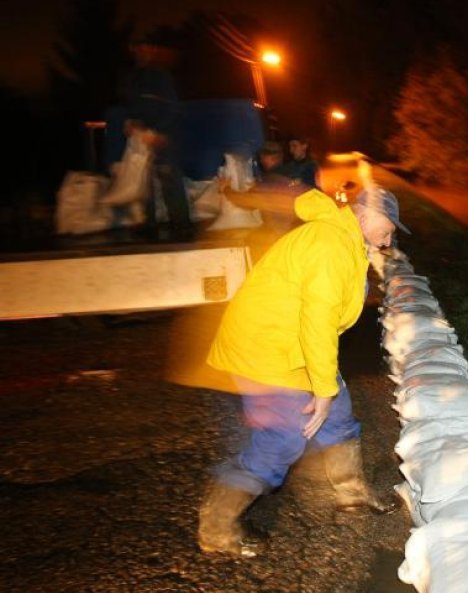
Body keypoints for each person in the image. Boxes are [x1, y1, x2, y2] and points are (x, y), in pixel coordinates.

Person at [197, 183, 410, 557]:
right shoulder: (330, 244)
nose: (388, 237)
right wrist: (322, 388)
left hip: (290, 347)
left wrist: (327, 387)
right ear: (364, 215)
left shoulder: (344, 240)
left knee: (338, 416)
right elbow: (318, 321)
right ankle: (217, 528)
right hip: (269, 352)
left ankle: (351, 492)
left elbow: (321, 321)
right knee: (283, 438)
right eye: (387, 227)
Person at [123, 30, 192, 236]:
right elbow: (133, 105)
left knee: (169, 178)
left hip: (163, 138)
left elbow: (173, 107)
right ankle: (149, 225)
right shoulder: (133, 76)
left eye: (146, 47)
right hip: (141, 138)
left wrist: (159, 131)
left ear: (152, 50)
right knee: (143, 184)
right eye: (138, 47)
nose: (142, 51)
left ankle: (182, 227)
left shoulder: (161, 75)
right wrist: (130, 122)